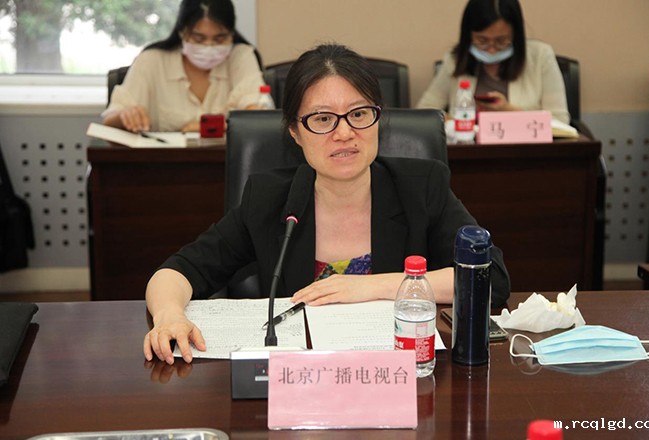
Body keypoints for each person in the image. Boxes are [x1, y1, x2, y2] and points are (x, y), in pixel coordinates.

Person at [143, 43, 511, 365]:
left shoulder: (421, 187)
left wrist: (373, 286)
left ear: (378, 118)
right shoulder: (269, 199)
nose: (345, 133)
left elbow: (490, 277)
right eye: (322, 119)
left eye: (359, 114)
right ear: (294, 131)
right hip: (303, 381)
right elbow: (178, 271)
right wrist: (169, 316)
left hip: (400, 378)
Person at [102, 0, 264, 133]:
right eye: (199, 39)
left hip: (228, 160)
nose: (209, 47)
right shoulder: (151, 60)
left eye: (220, 39)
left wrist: (206, 127)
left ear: (231, 35)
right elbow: (109, 120)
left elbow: (258, 115)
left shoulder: (241, 56)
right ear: (182, 32)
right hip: (163, 161)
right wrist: (125, 115)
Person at [416, 0, 570, 124]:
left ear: (515, 36)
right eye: (482, 41)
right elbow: (424, 112)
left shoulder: (541, 56)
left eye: (501, 41)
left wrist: (509, 111)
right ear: (468, 35)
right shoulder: (455, 59)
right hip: (467, 148)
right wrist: (452, 121)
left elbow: (560, 121)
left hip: (526, 150)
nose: (491, 50)